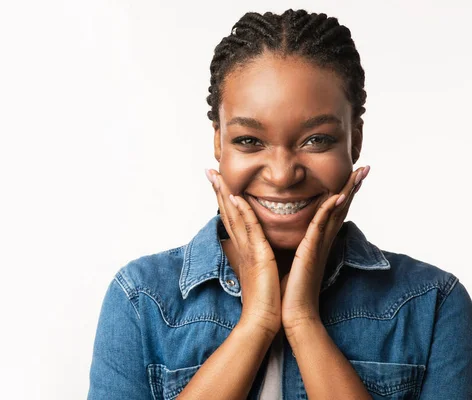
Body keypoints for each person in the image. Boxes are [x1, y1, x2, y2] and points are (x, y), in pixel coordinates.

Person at [88, 9, 472, 399]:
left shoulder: (432, 304)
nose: (283, 174)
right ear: (218, 141)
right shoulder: (142, 300)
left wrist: (304, 322)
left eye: (316, 139)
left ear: (355, 139)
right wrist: (256, 323)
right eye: (249, 141)